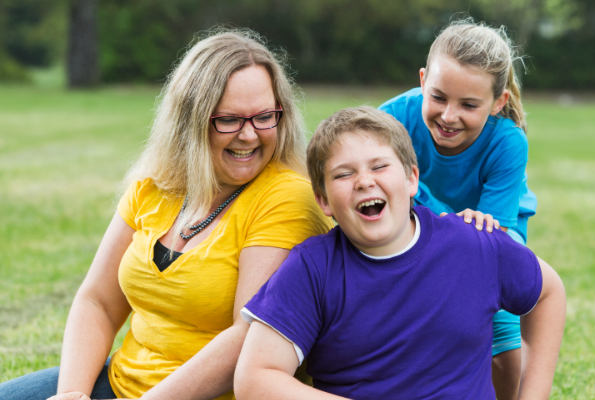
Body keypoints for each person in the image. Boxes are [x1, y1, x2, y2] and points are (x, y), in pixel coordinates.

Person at [0, 29, 332, 400]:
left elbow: (247, 337)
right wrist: (72, 394)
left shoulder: (286, 197)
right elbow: (98, 301)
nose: (250, 135)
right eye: (229, 120)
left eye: (264, 117)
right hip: (119, 384)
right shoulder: (156, 185)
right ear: (190, 119)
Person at [234, 106, 565, 399]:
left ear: (412, 180)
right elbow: (255, 378)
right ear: (323, 200)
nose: (364, 181)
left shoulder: (473, 244)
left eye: (379, 166)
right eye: (344, 174)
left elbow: (549, 293)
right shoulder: (312, 267)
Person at [378, 18, 538, 398]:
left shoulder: (507, 143)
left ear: (498, 102)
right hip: (418, 227)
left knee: (498, 325)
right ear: (422, 80)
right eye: (438, 97)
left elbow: (493, 243)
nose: (449, 116)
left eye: (468, 105)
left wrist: (425, 204)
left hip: (491, 237)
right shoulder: (392, 119)